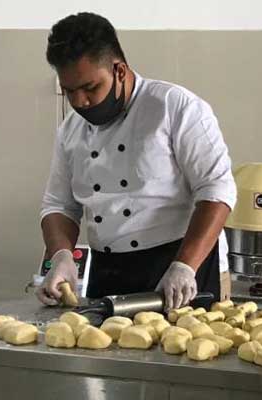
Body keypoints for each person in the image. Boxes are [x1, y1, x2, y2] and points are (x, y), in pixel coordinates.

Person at [36, 12, 237, 309]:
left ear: (119, 70)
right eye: (69, 91)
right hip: (108, 271)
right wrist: (61, 256)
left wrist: (184, 266)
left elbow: (216, 191)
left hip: (180, 267)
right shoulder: (70, 130)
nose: (79, 102)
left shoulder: (174, 107)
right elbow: (59, 205)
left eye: (90, 88)